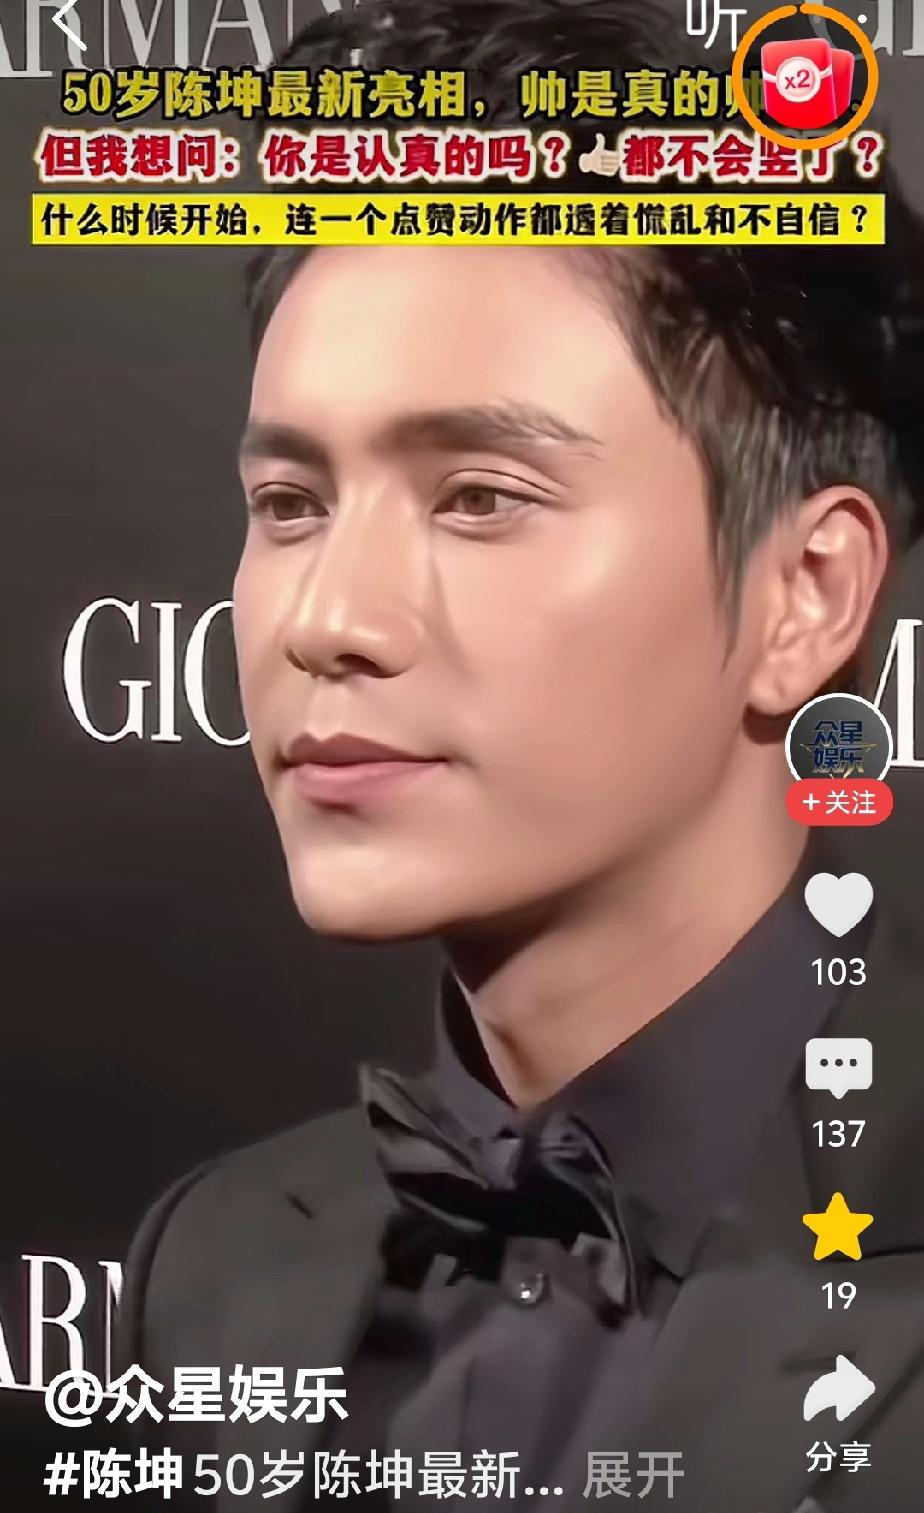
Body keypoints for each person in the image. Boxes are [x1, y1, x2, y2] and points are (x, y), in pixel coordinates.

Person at [115, 1, 924, 1508]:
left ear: (806, 596)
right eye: (291, 504)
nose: (329, 621)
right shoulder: (209, 1266)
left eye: (480, 497)